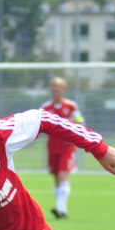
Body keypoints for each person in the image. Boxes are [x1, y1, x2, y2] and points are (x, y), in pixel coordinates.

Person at [42, 77, 83, 219]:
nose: (56, 91)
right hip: (52, 146)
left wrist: (75, 130)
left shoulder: (71, 106)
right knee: (56, 178)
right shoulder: (45, 108)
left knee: (62, 174)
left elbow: (79, 121)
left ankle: (61, 209)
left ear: (63, 90)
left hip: (67, 146)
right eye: (54, 88)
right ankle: (60, 207)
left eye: (59, 88)